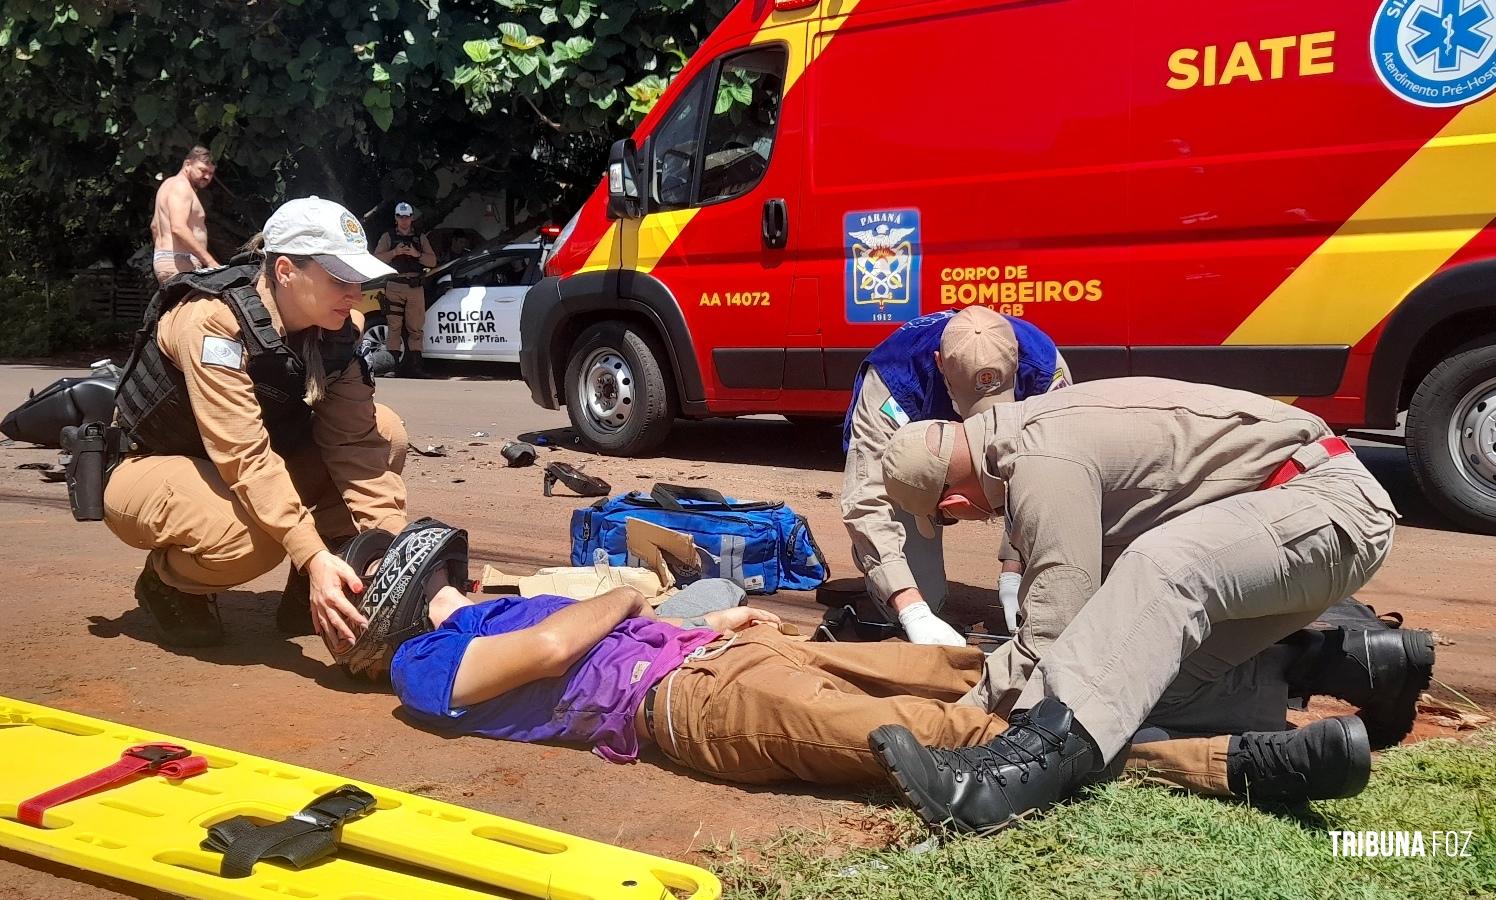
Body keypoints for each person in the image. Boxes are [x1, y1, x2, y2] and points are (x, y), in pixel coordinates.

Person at [871, 377, 1432, 832]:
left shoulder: (1040, 460)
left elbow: (1055, 626)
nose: (958, 519)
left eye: (946, 519)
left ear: (952, 501)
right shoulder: (1026, 439)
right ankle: (1362, 665)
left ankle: (1013, 778)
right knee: (1136, 688)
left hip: (1326, 506)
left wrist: (969, 716)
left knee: (1164, 566)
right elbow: (1105, 627)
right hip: (1294, 522)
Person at [386, 580, 1385, 807]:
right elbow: (563, 642)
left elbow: (588, 626)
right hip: (687, 705)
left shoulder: (486, 606)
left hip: (726, 657)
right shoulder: (421, 666)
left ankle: (1293, 669)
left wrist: (713, 620)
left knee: (1000, 669)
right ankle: (1238, 765)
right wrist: (630, 591)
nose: (457, 577)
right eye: (431, 571)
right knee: (958, 732)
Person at [105, 197, 409, 653]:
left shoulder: (340, 330)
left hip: (240, 462)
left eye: (358, 278)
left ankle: (324, 585)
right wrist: (310, 554)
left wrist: (397, 553)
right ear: (285, 270)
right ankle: (169, 584)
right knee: (250, 542)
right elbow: (244, 456)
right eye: (339, 278)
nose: (355, 291)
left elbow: (357, 447)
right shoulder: (213, 323)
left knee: (386, 432)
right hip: (155, 464)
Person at [842, 306, 1070, 646]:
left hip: (1002, 470)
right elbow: (866, 499)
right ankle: (905, 593)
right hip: (915, 481)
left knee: (1052, 605)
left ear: (1016, 360)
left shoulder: (1044, 367)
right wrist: (911, 609)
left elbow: (1055, 481)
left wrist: (1013, 566)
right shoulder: (894, 378)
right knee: (920, 602)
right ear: (939, 363)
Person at [373, 202, 436, 377]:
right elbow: (376, 258)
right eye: (400, 217)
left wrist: (417, 255)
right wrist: (394, 253)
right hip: (395, 284)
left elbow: (432, 261)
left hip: (415, 286)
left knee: (415, 328)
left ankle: (415, 367)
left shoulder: (420, 238)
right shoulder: (388, 236)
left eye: (407, 217)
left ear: (412, 218)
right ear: (395, 218)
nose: (404, 220)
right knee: (394, 326)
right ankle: (391, 367)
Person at [150, 146, 220, 285]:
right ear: (188, 164)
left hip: (169, 259)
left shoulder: (168, 185)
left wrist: (162, 256)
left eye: (211, 173)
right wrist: (210, 261)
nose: (207, 176)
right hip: (180, 262)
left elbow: (154, 227)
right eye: (202, 170)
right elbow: (178, 228)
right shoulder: (181, 187)